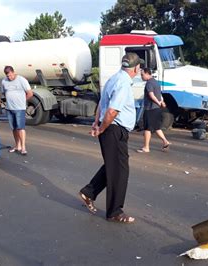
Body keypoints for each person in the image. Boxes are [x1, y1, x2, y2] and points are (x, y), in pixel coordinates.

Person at [79, 52, 143, 224]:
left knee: (112, 166)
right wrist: (101, 128)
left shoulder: (114, 79)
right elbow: (112, 110)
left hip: (110, 128)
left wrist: (96, 122)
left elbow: (102, 103)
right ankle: (115, 212)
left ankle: (89, 192)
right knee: (120, 171)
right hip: (114, 129)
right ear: (136, 68)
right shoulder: (122, 83)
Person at [137, 67, 170, 152]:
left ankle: (146, 147)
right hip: (157, 109)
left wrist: (159, 103)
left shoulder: (149, 83)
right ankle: (165, 141)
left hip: (150, 108)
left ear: (147, 73)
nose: (141, 77)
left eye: (142, 75)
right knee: (156, 127)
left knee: (147, 128)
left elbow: (151, 95)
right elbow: (160, 95)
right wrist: (161, 102)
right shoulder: (156, 83)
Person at [2, 66, 33, 156]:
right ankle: (17, 145)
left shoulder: (21, 80)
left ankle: (23, 147)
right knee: (14, 128)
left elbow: (30, 93)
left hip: (20, 108)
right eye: (8, 76)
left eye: (11, 75)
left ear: (13, 72)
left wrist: (23, 101)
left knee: (20, 128)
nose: (10, 77)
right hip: (9, 108)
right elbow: (4, 92)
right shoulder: (4, 81)